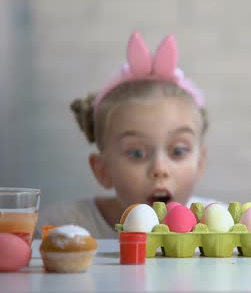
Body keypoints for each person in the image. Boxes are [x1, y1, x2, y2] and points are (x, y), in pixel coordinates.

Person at [36, 31, 218, 238]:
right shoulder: (60, 226)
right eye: (137, 153)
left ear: (200, 163)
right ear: (102, 170)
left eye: (178, 151)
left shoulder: (219, 226)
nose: (160, 169)